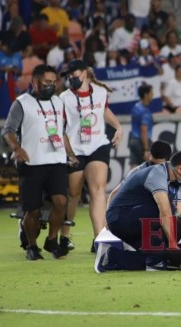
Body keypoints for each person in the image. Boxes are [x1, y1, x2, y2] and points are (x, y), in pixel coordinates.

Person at [2, 64, 78, 260]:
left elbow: (60, 132)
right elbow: (8, 130)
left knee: (61, 202)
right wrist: (17, 149)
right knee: (33, 210)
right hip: (32, 163)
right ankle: (32, 246)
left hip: (56, 160)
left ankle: (51, 240)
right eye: (46, 82)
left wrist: (69, 153)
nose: (51, 86)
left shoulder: (58, 102)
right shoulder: (22, 103)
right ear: (35, 82)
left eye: (54, 82)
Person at [59, 59, 123, 253]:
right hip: (75, 148)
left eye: (75, 75)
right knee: (73, 194)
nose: (72, 79)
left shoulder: (100, 91)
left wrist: (118, 126)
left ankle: (101, 239)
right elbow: (61, 128)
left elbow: (103, 110)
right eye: (69, 76)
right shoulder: (64, 98)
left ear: (85, 73)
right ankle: (65, 235)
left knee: (98, 189)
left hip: (97, 145)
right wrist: (68, 153)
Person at [103, 151, 181, 271]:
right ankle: (159, 255)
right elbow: (165, 212)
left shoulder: (168, 177)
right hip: (120, 219)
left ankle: (111, 257)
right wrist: (173, 246)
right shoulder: (158, 175)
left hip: (137, 219)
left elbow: (179, 211)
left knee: (159, 258)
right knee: (166, 207)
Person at [0, 37, 23, 119]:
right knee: (2, 110)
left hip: (14, 86)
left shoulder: (17, 55)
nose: (12, 51)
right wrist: (2, 69)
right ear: (4, 46)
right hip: (1, 87)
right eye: (10, 49)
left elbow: (20, 71)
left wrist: (15, 70)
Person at [129, 84, 154, 169]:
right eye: (151, 93)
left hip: (133, 141)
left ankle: (128, 182)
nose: (152, 95)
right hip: (141, 142)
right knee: (147, 168)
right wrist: (146, 149)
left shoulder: (136, 107)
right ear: (146, 95)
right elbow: (144, 130)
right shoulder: (145, 112)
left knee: (133, 167)